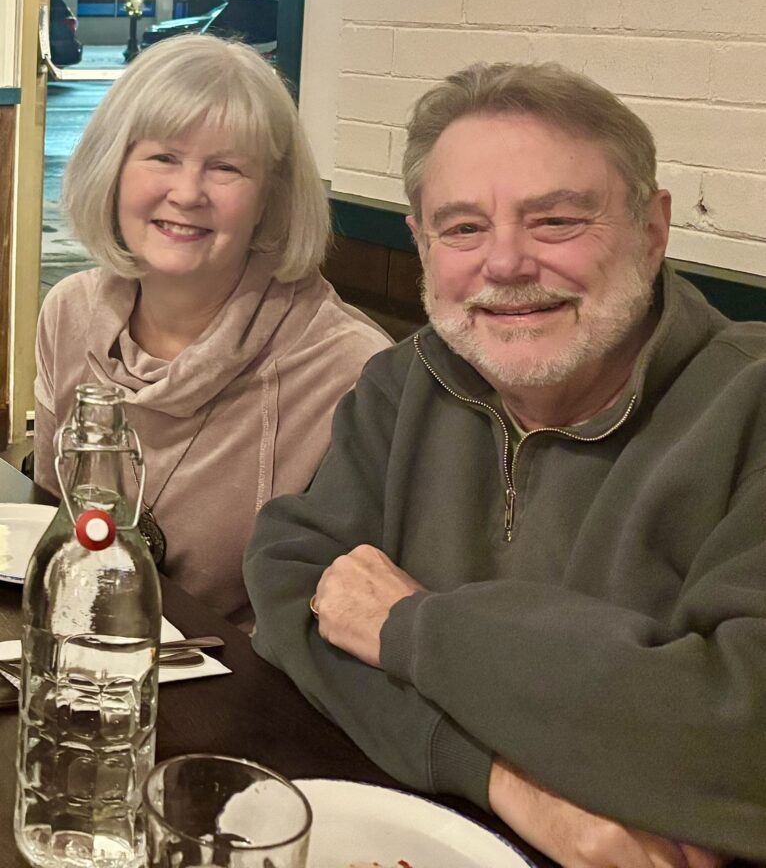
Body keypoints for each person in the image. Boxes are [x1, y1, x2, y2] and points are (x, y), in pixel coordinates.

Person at [245, 62, 766, 863]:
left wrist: (406, 627)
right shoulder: (405, 380)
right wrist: (506, 782)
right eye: (461, 229)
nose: (507, 264)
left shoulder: (750, 407)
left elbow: (740, 735)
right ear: (420, 244)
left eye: (556, 220)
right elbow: (292, 584)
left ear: (654, 230)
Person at [34, 33, 390, 629]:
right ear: (113, 167)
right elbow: (51, 521)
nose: (188, 192)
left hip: (246, 700)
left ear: (268, 198)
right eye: (163, 157)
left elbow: (333, 625)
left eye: (225, 167)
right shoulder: (69, 312)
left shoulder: (350, 371)